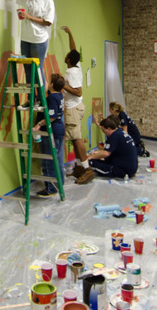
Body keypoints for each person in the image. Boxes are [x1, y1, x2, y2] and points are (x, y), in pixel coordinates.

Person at [0, 0, 55, 106]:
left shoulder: (48, 1)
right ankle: (31, 98)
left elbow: (48, 22)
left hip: (39, 39)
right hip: (25, 38)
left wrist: (29, 17)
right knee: (27, 68)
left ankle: (41, 97)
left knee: (37, 67)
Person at [59, 26, 90, 180]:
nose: (66, 55)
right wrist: (70, 33)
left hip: (73, 108)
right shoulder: (76, 65)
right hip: (76, 107)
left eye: (67, 55)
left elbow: (78, 91)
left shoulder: (72, 72)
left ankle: (87, 169)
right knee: (73, 137)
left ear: (69, 60)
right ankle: (79, 168)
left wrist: (61, 84)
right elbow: (74, 49)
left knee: (76, 139)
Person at [77, 115, 138, 184]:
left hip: (123, 170)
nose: (104, 133)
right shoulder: (120, 132)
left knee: (90, 162)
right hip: (130, 168)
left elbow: (106, 153)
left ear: (109, 129)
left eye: (103, 130)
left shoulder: (115, 136)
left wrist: (91, 157)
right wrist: (97, 154)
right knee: (98, 159)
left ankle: (85, 173)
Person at [33, 74, 66, 198]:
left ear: (52, 85)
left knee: (49, 160)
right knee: (58, 159)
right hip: (59, 129)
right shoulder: (59, 95)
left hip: (51, 131)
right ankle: (59, 184)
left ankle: (51, 188)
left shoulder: (52, 97)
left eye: (49, 82)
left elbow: (51, 116)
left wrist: (39, 124)